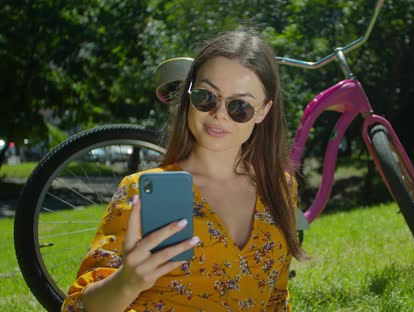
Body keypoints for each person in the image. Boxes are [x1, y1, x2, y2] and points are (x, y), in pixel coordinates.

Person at [62, 29, 306, 312]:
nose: (219, 114)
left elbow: (276, 298)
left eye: (240, 106)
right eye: (206, 96)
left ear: (264, 111)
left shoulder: (280, 187)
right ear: (189, 94)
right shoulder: (140, 189)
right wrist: (127, 282)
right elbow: (78, 307)